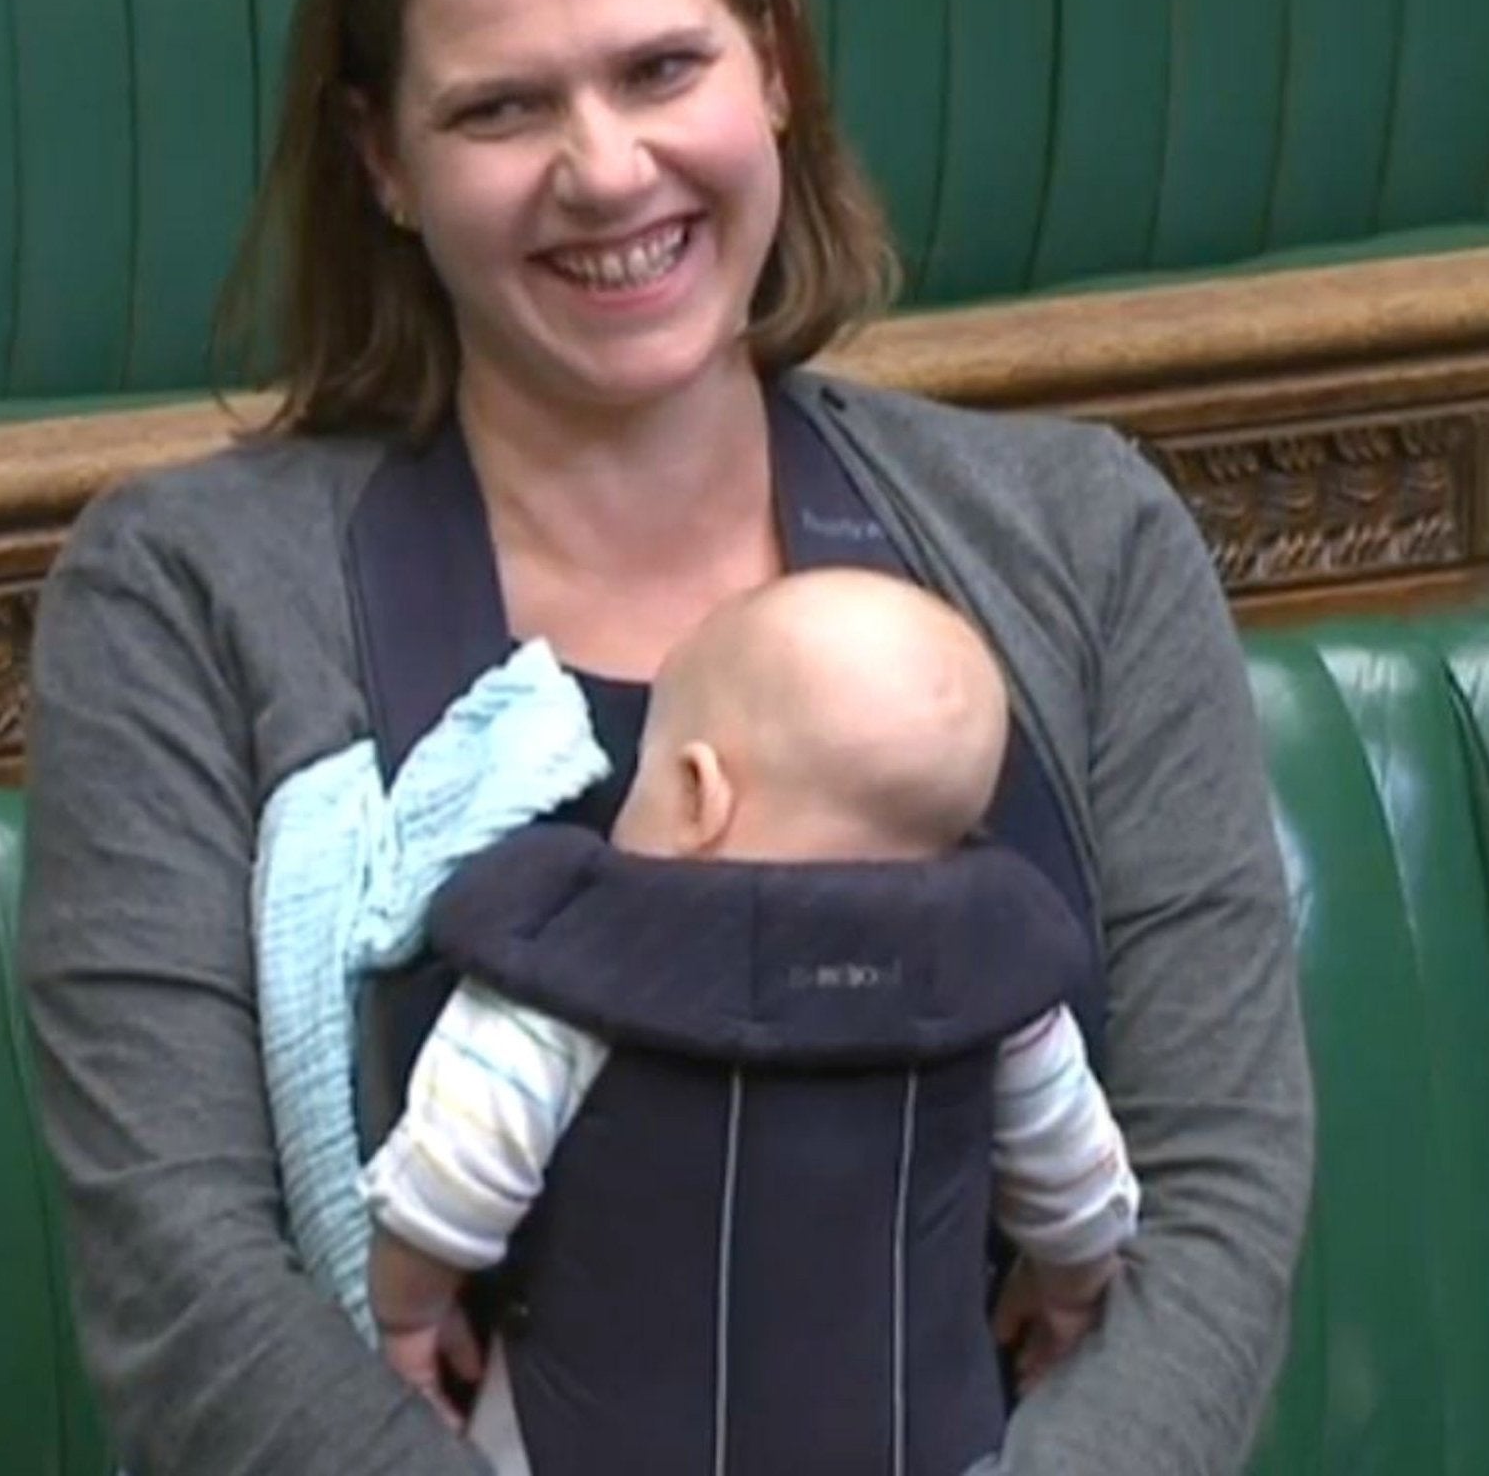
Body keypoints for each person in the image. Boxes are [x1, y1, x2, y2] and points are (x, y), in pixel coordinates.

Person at [20, 0, 1311, 1476]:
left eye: (659, 68)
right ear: (381, 160)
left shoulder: (1083, 540)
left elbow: (1213, 1196)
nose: (607, 169)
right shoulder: (181, 598)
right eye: (499, 108)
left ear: (771, 64)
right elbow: (189, 1282)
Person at [361, 568, 1143, 1473]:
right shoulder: (993, 981)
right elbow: (1079, 1192)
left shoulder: (579, 961)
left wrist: (409, 1313)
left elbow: (444, 1183)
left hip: (586, 1438)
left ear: (698, 791)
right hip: (914, 1439)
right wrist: (1070, 1294)